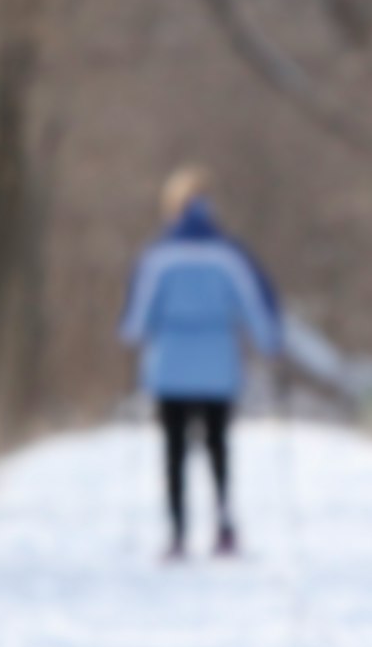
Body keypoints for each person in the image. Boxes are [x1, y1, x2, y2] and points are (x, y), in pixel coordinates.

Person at [120, 166, 282, 559]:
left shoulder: (157, 256)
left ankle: (177, 533)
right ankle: (224, 526)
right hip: (218, 367)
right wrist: (270, 342)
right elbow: (258, 309)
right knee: (217, 447)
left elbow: (135, 321)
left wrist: (137, 335)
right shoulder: (229, 254)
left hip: (170, 367)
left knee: (174, 450)